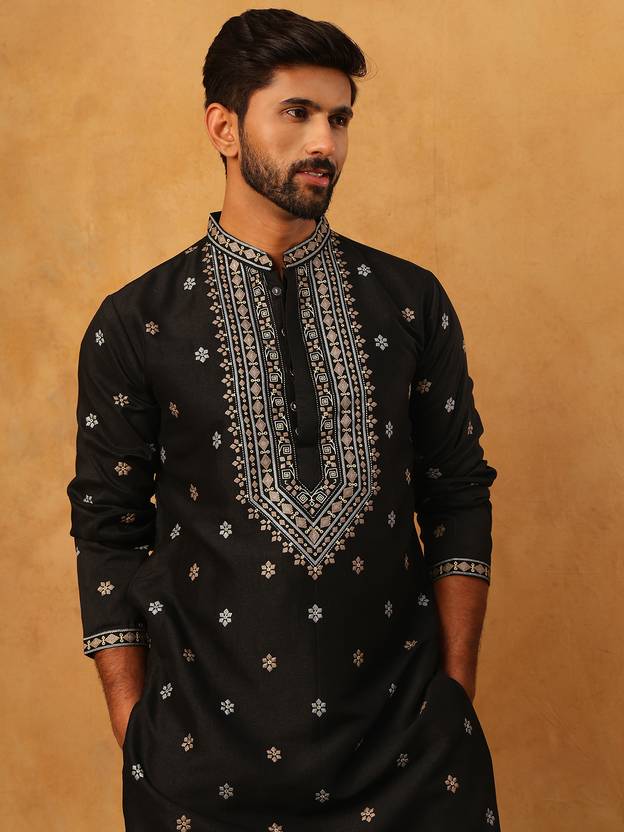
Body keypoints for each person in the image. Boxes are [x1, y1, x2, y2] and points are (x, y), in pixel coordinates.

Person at [66, 8, 501, 831]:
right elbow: (107, 530)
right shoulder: (137, 322)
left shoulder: (410, 302)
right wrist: (134, 728)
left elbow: (457, 495)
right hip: (201, 768)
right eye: (296, 113)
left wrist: (454, 694)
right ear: (223, 128)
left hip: (409, 757)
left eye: (340, 118)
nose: (324, 143)